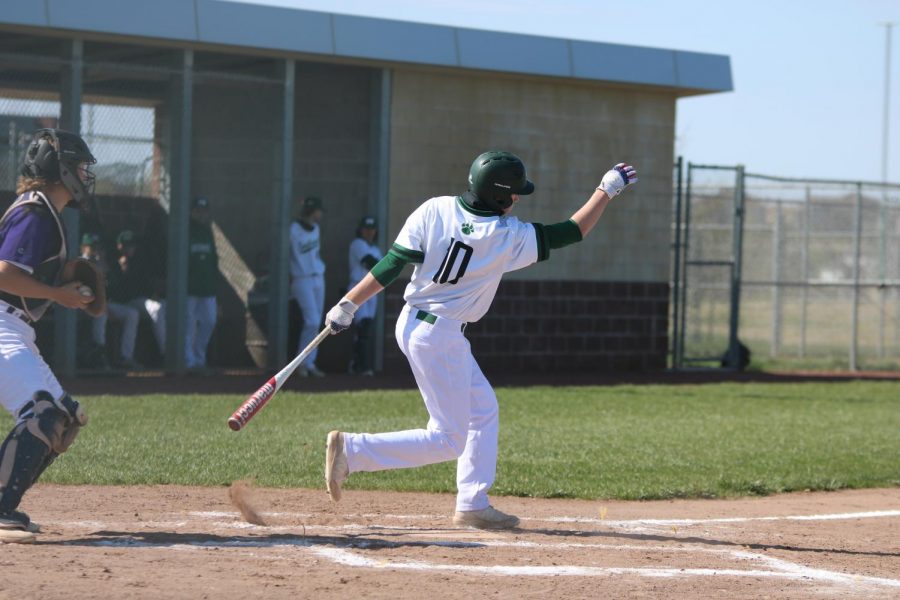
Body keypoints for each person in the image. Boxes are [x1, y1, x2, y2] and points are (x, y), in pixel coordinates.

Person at [323, 151, 637, 530]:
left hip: (418, 326)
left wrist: (348, 303)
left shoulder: (434, 208)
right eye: (514, 193)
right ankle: (353, 451)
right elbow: (574, 230)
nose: (518, 198)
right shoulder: (505, 236)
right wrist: (607, 189)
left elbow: (392, 264)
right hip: (437, 336)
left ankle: (473, 503)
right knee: (447, 439)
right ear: (499, 194)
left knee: (483, 409)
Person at [0, 129, 95, 543]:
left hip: (15, 325)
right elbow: (4, 273)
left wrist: (64, 278)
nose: (84, 174)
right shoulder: (36, 212)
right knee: (43, 413)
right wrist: (59, 293)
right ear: (59, 171)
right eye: (78, 167)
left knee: (66, 416)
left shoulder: (45, 214)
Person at [81, 232, 141, 370]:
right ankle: (99, 351)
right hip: (82, 305)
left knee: (132, 314)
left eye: (98, 247)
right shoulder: (81, 263)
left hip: (103, 304)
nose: (96, 251)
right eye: (92, 247)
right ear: (84, 248)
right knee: (101, 313)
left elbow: (115, 288)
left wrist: (108, 272)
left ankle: (126, 357)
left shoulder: (103, 263)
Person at [108, 230, 166, 361]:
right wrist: (121, 271)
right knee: (132, 314)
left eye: (132, 246)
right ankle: (126, 357)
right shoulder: (112, 260)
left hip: (132, 301)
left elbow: (144, 284)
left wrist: (152, 294)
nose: (130, 249)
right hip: (114, 303)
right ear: (119, 246)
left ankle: (166, 353)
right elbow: (111, 289)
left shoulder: (139, 261)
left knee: (157, 308)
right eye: (126, 245)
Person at [289, 196, 325, 377]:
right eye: (318, 210)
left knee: (316, 322)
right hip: (301, 278)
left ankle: (309, 364)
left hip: (318, 277)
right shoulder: (293, 230)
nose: (320, 213)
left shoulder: (316, 229)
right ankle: (300, 363)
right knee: (311, 321)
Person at [186, 196, 219, 371]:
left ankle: (199, 357)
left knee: (209, 321)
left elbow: (214, 260)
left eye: (204, 211)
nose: (201, 214)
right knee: (189, 326)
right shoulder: (186, 230)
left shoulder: (207, 231)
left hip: (207, 287)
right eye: (198, 211)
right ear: (192, 212)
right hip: (189, 288)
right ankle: (189, 362)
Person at [346, 216, 382, 375]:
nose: (369, 232)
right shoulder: (357, 244)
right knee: (362, 326)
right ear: (360, 230)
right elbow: (370, 263)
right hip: (358, 287)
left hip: (372, 290)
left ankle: (357, 364)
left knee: (366, 326)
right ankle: (361, 366)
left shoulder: (376, 249)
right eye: (366, 229)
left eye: (372, 229)